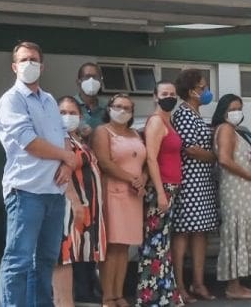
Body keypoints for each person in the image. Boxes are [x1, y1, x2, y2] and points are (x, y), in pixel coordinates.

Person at [0, 41, 77, 307]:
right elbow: (29, 142)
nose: (28, 64)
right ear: (14, 67)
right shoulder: (11, 101)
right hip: (25, 192)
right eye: (23, 60)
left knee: (45, 260)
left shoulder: (49, 100)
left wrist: (67, 165)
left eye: (33, 59)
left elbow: (64, 135)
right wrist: (67, 157)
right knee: (18, 260)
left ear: (42, 66)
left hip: (53, 193)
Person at [92, 93, 147, 307]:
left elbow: (144, 163)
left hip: (134, 196)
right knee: (111, 246)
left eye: (127, 108)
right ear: (109, 108)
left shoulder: (135, 133)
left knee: (124, 248)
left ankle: (118, 294)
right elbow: (104, 162)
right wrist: (131, 179)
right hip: (113, 193)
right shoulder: (102, 131)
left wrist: (143, 178)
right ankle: (107, 296)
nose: (122, 111)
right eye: (118, 106)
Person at [212, 94, 251, 299]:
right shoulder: (226, 129)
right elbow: (225, 160)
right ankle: (233, 286)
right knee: (236, 233)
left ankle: (238, 283)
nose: (237, 113)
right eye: (232, 109)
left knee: (242, 233)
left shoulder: (235, 131)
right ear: (223, 111)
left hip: (244, 189)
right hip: (236, 189)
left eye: (239, 109)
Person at [53, 97, 107, 307]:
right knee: (64, 256)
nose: (67, 117)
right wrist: (74, 201)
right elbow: (60, 173)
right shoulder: (58, 140)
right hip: (70, 207)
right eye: (62, 112)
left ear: (80, 116)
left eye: (72, 112)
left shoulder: (78, 139)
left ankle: (71, 299)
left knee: (74, 255)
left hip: (87, 205)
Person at [170, 69, 219, 302]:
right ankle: (179, 286)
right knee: (183, 233)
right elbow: (189, 148)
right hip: (189, 182)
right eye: (203, 87)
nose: (206, 91)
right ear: (191, 91)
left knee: (200, 233)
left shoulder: (196, 114)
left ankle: (198, 283)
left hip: (203, 183)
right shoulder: (183, 114)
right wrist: (215, 156)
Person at [136, 81, 183, 307]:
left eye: (172, 94)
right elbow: (151, 158)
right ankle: (150, 298)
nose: (169, 97)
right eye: (164, 93)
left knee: (163, 244)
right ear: (155, 96)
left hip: (171, 186)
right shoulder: (156, 122)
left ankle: (165, 295)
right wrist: (161, 193)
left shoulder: (168, 121)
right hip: (160, 188)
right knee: (154, 245)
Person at [75, 62, 107, 134]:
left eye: (95, 77)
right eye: (87, 77)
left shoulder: (108, 107)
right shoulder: (69, 105)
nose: (91, 80)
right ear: (78, 81)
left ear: (101, 82)